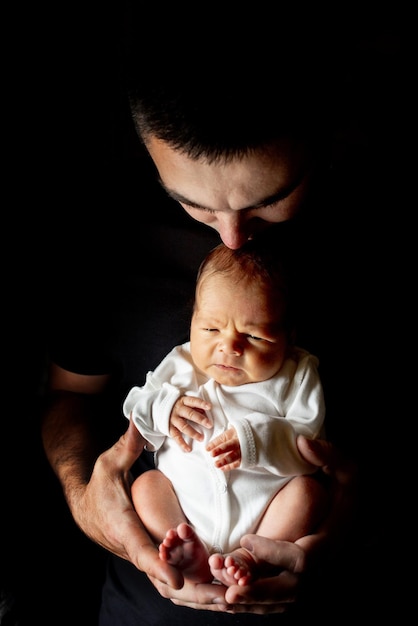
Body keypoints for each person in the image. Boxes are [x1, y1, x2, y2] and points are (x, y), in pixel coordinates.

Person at [38, 13, 403, 626]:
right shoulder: (106, 233)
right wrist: (84, 496)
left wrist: (347, 513)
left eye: (269, 200)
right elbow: (69, 395)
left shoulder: (382, 232)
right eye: (191, 203)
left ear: (324, 137)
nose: (233, 239)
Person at [126, 240, 328, 588]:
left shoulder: (297, 372)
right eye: (210, 329)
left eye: (253, 335)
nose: (230, 346)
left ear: (288, 337)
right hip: (186, 505)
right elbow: (136, 407)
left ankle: (250, 556)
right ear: (193, 321)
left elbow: (310, 443)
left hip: (265, 514)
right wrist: (165, 409)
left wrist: (257, 441)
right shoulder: (182, 363)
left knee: (308, 494)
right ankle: (188, 547)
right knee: (146, 486)